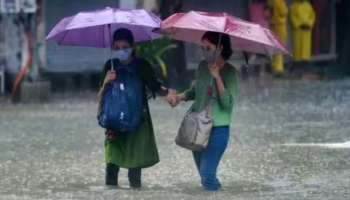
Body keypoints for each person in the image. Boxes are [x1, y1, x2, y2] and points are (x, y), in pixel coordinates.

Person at [167, 31, 239, 191]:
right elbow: (195, 91)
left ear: (219, 48)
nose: (204, 52)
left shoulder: (231, 72)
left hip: (218, 129)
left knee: (207, 175)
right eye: (202, 48)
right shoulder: (202, 66)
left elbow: (227, 104)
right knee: (206, 177)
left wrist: (217, 77)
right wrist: (179, 98)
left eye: (208, 48)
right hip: (197, 127)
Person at [98, 28, 167, 188]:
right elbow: (99, 97)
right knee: (111, 167)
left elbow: (155, 87)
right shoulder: (110, 65)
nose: (121, 50)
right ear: (112, 48)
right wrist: (106, 82)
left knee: (134, 172)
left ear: (133, 46)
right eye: (117, 47)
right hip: (114, 122)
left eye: (125, 46)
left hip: (138, 123)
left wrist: (170, 94)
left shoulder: (142, 65)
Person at [268, 0, 288, 75]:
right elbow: (284, 12)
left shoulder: (271, 2)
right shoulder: (279, 2)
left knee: (274, 46)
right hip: (279, 26)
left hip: (274, 25)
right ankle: (278, 68)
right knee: (279, 46)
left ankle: (274, 66)